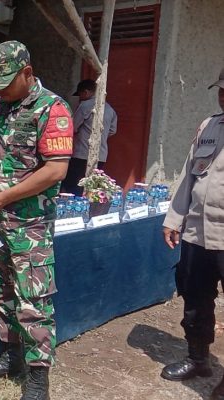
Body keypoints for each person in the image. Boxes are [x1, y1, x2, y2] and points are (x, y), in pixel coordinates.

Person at [0, 41, 74, 400]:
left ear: (27, 73)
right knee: (1, 291)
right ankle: (11, 356)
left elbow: (56, 170)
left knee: (34, 299)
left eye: (6, 82)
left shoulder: (52, 109)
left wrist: (1, 199)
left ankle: (38, 377)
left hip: (30, 227)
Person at [161, 68, 224, 400]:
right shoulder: (208, 126)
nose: (223, 96)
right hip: (198, 235)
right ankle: (198, 358)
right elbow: (190, 176)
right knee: (195, 299)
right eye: (221, 90)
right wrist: (174, 218)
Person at [60, 79, 117, 196]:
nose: (80, 98)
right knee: (91, 186)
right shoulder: (110, 109)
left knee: (73, 185)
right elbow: (112, 131)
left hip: (81, 154)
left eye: (80, 94)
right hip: (101, 155)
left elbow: (72, 127)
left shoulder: (85, 105)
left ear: (85, 92)